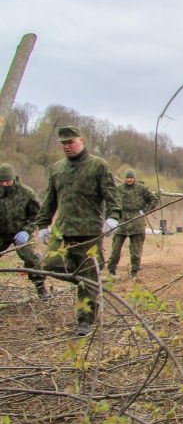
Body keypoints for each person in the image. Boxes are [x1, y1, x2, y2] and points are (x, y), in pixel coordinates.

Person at [35, 126, 120, 336]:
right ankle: (89, 283)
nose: (67, 146)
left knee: (88, 276)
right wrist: (43, 225)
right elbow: (49, 200)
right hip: (62, 231)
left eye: (70, 142)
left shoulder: (98, 166)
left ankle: (85, 320)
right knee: (50, 265)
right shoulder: (57, 169)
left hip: (88, 231)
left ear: (81, 141)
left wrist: (113, 218)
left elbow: (112, 195)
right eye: (63, 143)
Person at [0, 163, 49, 299]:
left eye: (7, 181)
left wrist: (26, 231)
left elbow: (37, 215)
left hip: (21, 232)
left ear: (13, 179)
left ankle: (40, 286)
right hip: (1, 233)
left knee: (29, 257)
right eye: (1, 181)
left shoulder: (27, 193)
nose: (4, 184)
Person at [107, 169, 158, 279]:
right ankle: (111, 270)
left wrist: (145, 210)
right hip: (122, 221)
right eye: (127, 178)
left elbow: (153, 199)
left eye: (131, 178)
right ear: (125, 178)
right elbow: (111, 200)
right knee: (116, 248)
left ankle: (134, 271)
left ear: (134, 178)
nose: (129, 180)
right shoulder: (119, 189)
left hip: (136, 221)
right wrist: (112, 215)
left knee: (135, 250)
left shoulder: (141, 188)